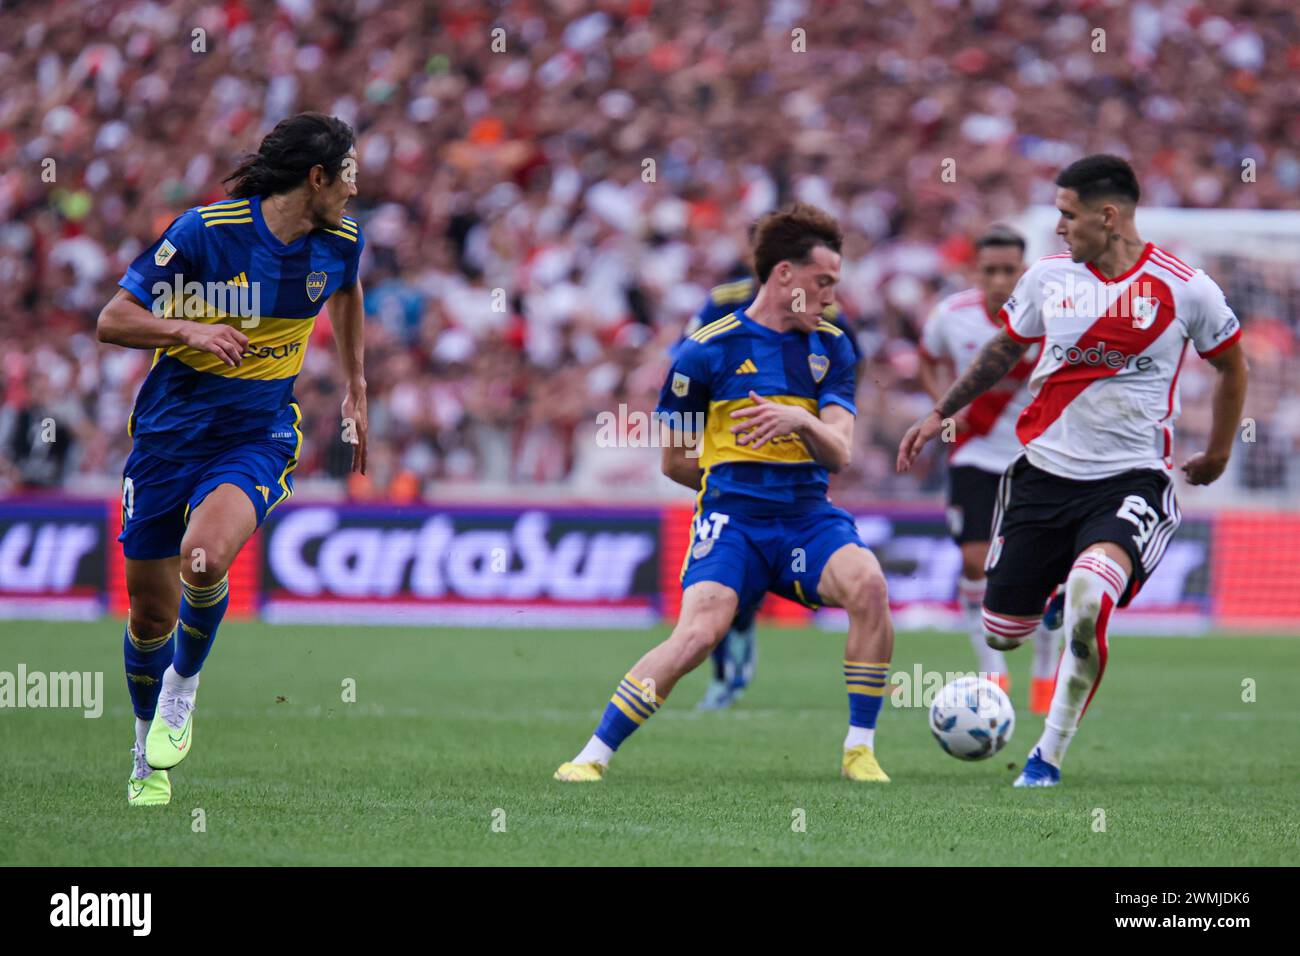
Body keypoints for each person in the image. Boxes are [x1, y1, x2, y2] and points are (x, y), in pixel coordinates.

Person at [898, 155, 1247, 787]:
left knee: (1090, 602)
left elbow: (1232, 365)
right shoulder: (1048, 279)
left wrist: (1219, 452)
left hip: (1131, 480)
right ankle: (1051, 599)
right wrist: (938, 413)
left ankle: (1046, 758)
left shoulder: (1184, 287)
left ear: (1107, 217)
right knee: (1002, 633)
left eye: (1067, 215)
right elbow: (1005, 347)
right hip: (1041, 478)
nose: (1059, 228)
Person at [555, 203, 895, 782]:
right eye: (823, 282)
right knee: (698, 635)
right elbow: (676, 461)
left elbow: (841, 452)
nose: (830, 297)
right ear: (783, 275)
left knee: (869, 584)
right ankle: (591, 756)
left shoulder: (833, 347)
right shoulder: (704, 353)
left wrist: (802, 424)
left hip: (808, 516)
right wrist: (733, 484)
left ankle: (859, 750)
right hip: (732, 519)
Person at [98, 112, 369, 806]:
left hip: (257, 434)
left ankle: (182, 695)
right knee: (149, 618)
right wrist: (185, 326)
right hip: (168, 439)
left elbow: (347, 291)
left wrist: (356, 385)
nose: (355, 188)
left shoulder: (340, 241)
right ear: (316, 178)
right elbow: (113, 320)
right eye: (349, 174)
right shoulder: (205, 233)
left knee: (204, 559)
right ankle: (142, 757)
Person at [917, 225, 1063, 713]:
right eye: (990, 270)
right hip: (974, 455)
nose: (1000, 279)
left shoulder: (1050, 316)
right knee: (973, 562)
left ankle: (1044, 673)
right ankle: (993, 674)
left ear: (1024, 271)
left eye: (1009, 270)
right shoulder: (950, 316)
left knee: (1045, 575)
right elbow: (929, 358)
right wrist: (944, 407)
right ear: (974, 271)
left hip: (1036, 458)